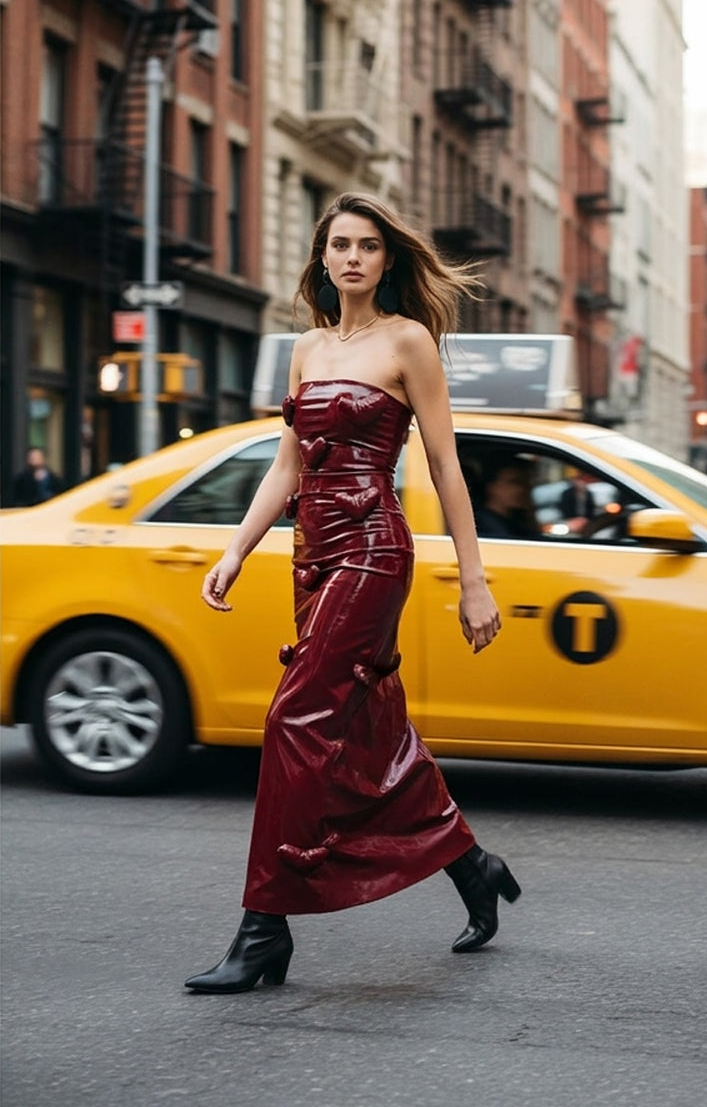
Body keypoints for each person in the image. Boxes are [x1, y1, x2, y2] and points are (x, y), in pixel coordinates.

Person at [185, 192, 521, 995]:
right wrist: (235, 549)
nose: (353, 258)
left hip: (373, 549)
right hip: (311, 554)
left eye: (368, 246)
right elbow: (286, 467)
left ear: (387, 260)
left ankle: (263, 929)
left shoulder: (409, 342)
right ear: (323, 257)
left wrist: (475, 584)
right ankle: (472, 864)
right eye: (340, 244)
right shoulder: (304, 349)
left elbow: (445, 468)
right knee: (367, 732)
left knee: (291, 716)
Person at [473, 455, 540, 541]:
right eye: (513, 482)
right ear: (491, 486)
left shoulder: (516, 521)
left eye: (525, 482)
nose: (521, 489)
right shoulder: (483, 525)